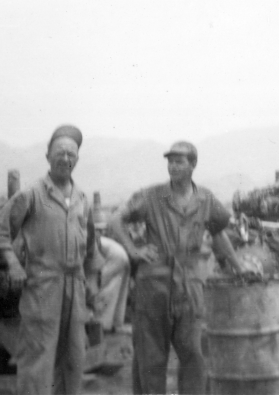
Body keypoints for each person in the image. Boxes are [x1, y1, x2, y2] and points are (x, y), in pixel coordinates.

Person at [108, 141, 251, 395]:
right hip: (154, 285)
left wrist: (238, 267)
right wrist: (133, 250)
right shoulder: (152, 196)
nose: (173, 166)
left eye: (179, 161)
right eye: (170, 161)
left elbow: (218, 233)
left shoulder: (205, 198)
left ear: (193, 165)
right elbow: (115, 219)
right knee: (150, 359)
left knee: (195, 356)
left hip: (190, 286)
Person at [0, 125, 102, 395]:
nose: (65, 158)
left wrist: (93, 281)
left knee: (74, 359)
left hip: (76, 289)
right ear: (47, 156)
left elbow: (91, 246)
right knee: (38, 360)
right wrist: (13, 264)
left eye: (71, 154)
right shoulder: (32, 194)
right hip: (43, 288)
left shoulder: (82, 198)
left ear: (77, 160)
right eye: (59, 153)